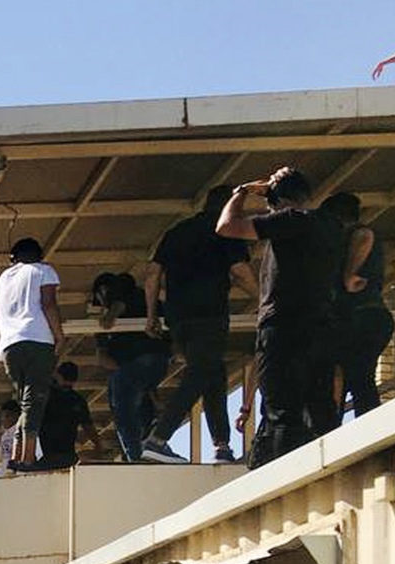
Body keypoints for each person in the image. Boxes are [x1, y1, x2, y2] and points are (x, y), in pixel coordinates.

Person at [218, 167, 344, 465]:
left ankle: (283, 474)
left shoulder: (290, 221)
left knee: (281, 411)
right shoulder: (330, 225)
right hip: (322, 324)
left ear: (276, 201)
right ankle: (330, 467)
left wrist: (242, 191)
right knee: (320, 406)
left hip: (283, 325)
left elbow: (226, 227)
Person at [141, 188, 256, 464]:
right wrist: (265, 298)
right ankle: (158, 438)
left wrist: (151, 315)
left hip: (179, 317)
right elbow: (240, 272)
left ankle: (222, 446)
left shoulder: (178, 231)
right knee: (200, 372)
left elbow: (152, 275)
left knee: (212, 372)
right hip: (210, 313)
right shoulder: (227, 230)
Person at [322, 191, 395, 421]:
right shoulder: (345, 240)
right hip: (361, 319)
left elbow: (364, 236)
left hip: (363, 317)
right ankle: (348, 424)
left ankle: (364, 425)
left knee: (358, 376)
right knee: (354, 376)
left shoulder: (355, 232)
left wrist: (350, 275)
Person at [0, 237, 65, 471]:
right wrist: (59, 335)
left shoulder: (4, 278)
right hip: (37, 341)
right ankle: (28, 458)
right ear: (40, 254)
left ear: (13, 258)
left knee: (24, 401)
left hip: (9, 347)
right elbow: (48, 303)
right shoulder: (43, 270)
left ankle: (18, 455)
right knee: (34, 402)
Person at [92, 271, 173, 462]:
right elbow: (102, 357)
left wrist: (109, 317)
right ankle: (152, 445)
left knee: (122, 398)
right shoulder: (143, 301)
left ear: (102, 291)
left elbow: (120, 300)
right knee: (134, 397)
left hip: (145, 359)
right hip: (153, 362)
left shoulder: (124, 290)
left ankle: (136, 454)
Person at [34, 362, 97, 471]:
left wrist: (98, 445)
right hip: (43, 455)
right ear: (56, 376)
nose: (66, 388)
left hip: (67, 454)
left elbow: (88, 425)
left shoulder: (77, 400)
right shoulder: (44, 396)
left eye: (69, 386)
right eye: (64, 385)